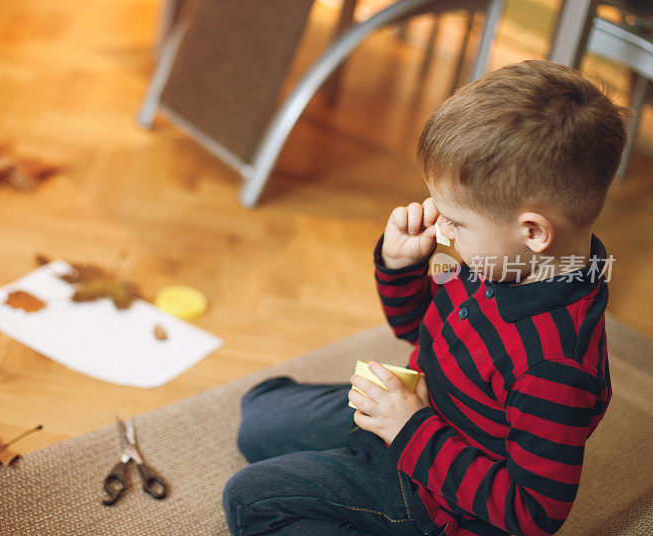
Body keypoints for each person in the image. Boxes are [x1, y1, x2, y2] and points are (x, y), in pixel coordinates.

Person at [222, 59, 628, 536]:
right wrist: (401, 264)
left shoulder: (555, 366)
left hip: (440, 503)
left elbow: (532, 516)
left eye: (455, 222)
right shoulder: (502, 260)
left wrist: (409, 430)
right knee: (260, 415)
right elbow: (414, 325)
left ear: (532, 231)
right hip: (421, 412)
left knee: (250, 498)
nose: (441, 231)